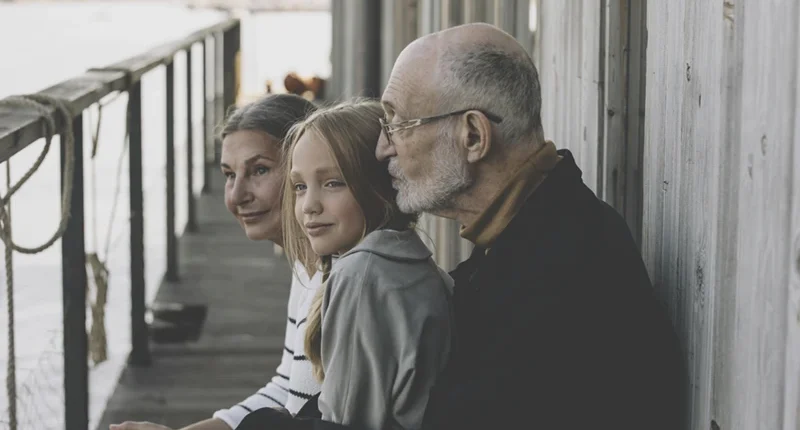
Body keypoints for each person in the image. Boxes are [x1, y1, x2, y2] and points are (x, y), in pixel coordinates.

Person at [236, 22, 686, 430]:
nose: (382, 149)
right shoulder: (531, 234)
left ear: (472, 136)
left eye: (398, 124)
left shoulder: (560, 271)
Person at [110, 93, 322, 430]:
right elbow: (288, 389)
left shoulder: (343, 280)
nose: (237, 195)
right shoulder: (307, 268)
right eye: (228, 174)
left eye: (260, 170)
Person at [276, 99, 453, 430]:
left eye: (333, 182)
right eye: (300, 186)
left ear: (379, 186)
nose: (309, 205)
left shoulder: (361, 276)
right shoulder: (418, 268)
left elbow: (345, 422)